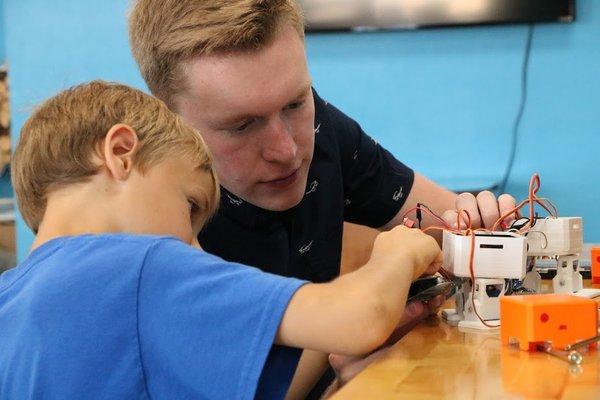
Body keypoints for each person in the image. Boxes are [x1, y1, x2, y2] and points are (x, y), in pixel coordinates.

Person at [128, 1, 517, 395]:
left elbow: (451, 221)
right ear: (172, 120)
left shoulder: (324, 129)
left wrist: (480, 219)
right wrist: (353, 335)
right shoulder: (150, 224)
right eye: (242, 125)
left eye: (296, 102)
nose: (287, 150)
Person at [0, 81, 442, 399]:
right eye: (189, 206)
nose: (194, 247)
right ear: (120, 154)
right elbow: (359, 318)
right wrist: (398, 251)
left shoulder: (12, 298)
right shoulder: (139, 266)